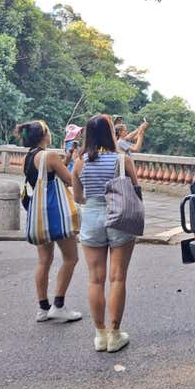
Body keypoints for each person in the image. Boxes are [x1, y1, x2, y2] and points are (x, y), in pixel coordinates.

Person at [72, 114, 139, 352]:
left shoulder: (80, 162)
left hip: (91, 216)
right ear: (110, 133)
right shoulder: (122, 160)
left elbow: (78, 197)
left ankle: (100, 335)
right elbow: (135, 190)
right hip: (119, 216)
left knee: (95, 279)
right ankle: (115, 333)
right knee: (118, 277)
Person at [14, 120, 82, 323]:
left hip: (39, 215)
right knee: (71, 258)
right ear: (44, 136)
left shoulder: (30, 156)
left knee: (44, 260)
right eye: (48, 131)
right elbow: (70, 180)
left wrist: (67, 158)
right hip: (56, 214)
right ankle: (59, 305)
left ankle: (43, 308)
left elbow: (48, 174)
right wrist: (77, 161)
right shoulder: (49, 155)